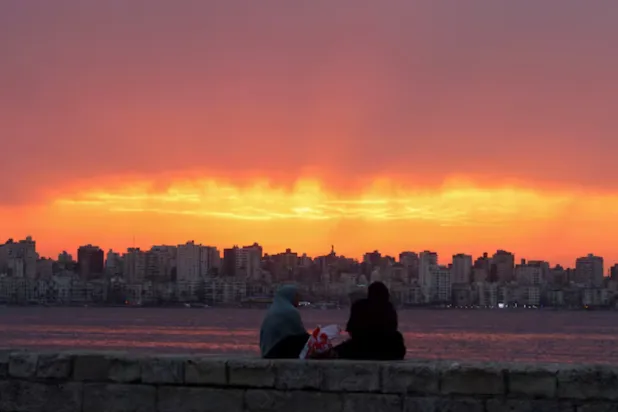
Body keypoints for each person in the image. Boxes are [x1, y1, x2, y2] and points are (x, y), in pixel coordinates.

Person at [334, 281, 406, 360]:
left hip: (360, 348)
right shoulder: (389, 308)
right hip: (386, 350)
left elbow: (351, 330)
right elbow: (392, 329)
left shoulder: (359, 306)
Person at [259, 285, 310, 359]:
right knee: (304, 338)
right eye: (296, 296)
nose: (299, 299)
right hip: (275, 353)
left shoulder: (273, 309)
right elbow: (300, 333)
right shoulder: (291, 311)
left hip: (267, 352)